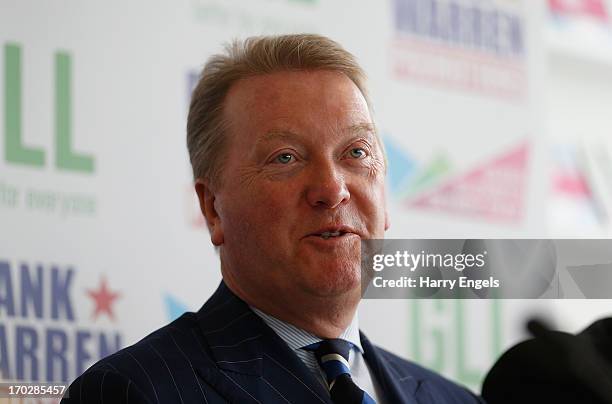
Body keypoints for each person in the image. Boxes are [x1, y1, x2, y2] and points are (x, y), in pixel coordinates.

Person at [62, 34, 483, 404]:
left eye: (356, 152)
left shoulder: (455, 399)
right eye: (286, 157)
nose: (332, 189)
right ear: (213, 208)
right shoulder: (134, 391)